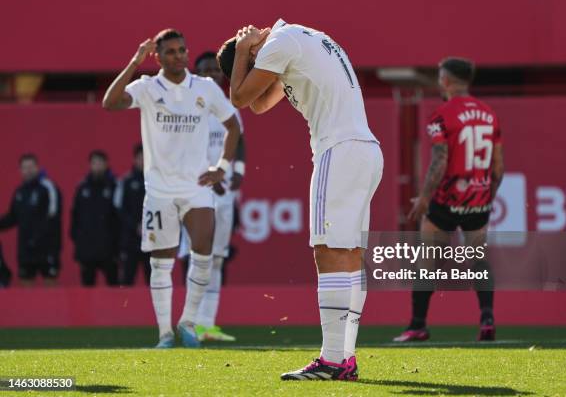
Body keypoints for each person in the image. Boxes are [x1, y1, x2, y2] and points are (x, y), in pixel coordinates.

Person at [217, 19, 383, 380]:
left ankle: (333, 359)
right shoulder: (298, 37)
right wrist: (250, 59)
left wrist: (243, 50)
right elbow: (260, 105)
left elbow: (240, 98)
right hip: (364, 149)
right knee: (349, 254)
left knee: (328, 251)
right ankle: (345, 358)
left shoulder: (278, 43)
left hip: (338, 150)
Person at [102, 29, 241, 348]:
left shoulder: (204, 88)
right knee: (161, 262)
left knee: (203, 253)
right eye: (171, 51)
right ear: (157, 56)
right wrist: (134, 62)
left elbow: (233, 126)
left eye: (182, 50)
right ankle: (164, 332)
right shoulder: (148, 88)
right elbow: (110, 103)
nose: (179, 56)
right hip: (160, 190)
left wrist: (221, 168)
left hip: (196, 187)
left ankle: (188, 322)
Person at [392, 57, 504, 343]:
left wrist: (424, 198)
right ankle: (487, 318)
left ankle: (418, 324)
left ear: (446, 80)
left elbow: (439, 161)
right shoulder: (490, 115)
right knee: (478, 258)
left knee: (426, 259)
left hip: (446, 199)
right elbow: (498, 167)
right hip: (478, 200)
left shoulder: (441, 115)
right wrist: (486, 198)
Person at [186, 51, 247, 342]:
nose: (211, 74)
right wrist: (213, 177)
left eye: (214, 69)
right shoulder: (188, 105)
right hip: (199, 191)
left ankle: (207, 325)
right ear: (196, 73)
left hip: (224, 194)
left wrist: (240, 171)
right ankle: (190, 322)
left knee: (218, 259)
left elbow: (240, 139)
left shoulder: (229, 104)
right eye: (205, 69)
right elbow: (183, 151)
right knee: (199, 257)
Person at [0, 154, 62, 286]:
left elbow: (53, 217)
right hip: (26, 249)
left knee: (51, 289)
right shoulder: (20, 191)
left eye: (31, 167)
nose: (28, 170)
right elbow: (13, 217)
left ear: (37, 168)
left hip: (46, 248)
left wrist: (40, 239)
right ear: (20, 170)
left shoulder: (48, 187)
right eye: (24, 167)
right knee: (26, 290)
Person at [70, 150, 119, 286]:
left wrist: (118, 246)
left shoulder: (115, 186)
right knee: (86, 291)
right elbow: (75, 217)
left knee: (114, 289)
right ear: (90, 165)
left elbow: (120, 218)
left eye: (100, 163)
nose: (97, 166)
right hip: (87, 249)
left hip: (109, 249)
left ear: (106, 164)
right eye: (94, 163)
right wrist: (78, 242)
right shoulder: (82, 187)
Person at [114, 144, 150, 285]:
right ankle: (124, 307)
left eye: (145, 158)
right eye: (140, 158)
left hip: (151, 239)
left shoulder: (156, 181)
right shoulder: (125, 181)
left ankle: (155, 307)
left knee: (154, 281)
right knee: (127, 281)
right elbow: (119, 208)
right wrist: (136, 226)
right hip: (130, 239)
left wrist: (148, 226)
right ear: (134, 160)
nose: (142, 161)